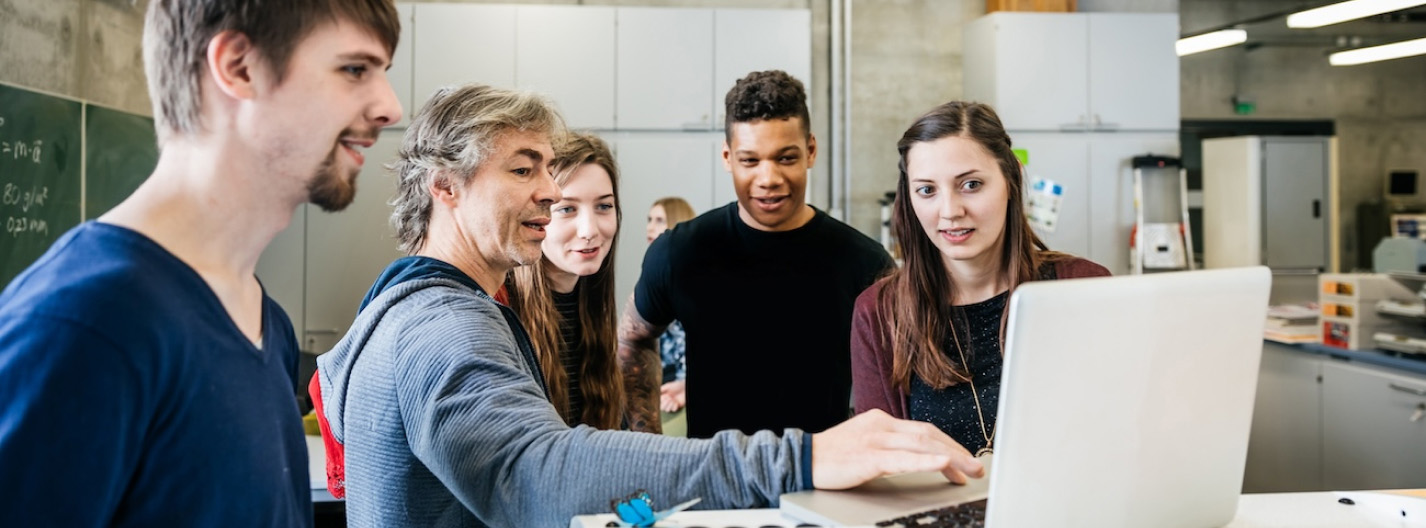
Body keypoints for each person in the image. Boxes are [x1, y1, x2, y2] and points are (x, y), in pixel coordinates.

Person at [311, 83, 984, 528]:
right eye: (522, 169)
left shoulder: (416, 306)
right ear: (445, 187)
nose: (549, 192)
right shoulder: (445, 325)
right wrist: (800, 460)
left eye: (547, 168)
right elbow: (535, 476)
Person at [0, 0, 402, 525]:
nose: (391, 107)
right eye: (354, 69)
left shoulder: (267, 323)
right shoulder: (84, 325)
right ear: (239, 67)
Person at [618, 70, 894, 438]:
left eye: (786, 158)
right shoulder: (679, 252)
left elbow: (899, 370)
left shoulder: (864, 263)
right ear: (727, 157)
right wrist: (649, 441)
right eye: (750, 161)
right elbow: (633, 339)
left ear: (810, 151)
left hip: (822, 471)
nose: (768, 179)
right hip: (714, 470)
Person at [850, 101, 1110, 455]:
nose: (950, 211)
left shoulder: (1085, 287)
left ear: (1010, 180)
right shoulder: (879, 313)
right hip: (934, 495)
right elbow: (881, 464)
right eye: (927, 190)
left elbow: (1121, 432)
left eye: (971, 185)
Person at [503, 132, 624, 429]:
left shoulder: (592, 301)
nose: (589, 230)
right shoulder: (501, 312)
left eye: (604, 206)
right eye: (567, 209)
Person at [644, 196, 696, 414]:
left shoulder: (689, 278)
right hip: (657, 379)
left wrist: (686, 386)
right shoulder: (656, 273)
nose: (650, 227)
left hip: (680, 385)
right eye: (649, 219)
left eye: (659, 220)